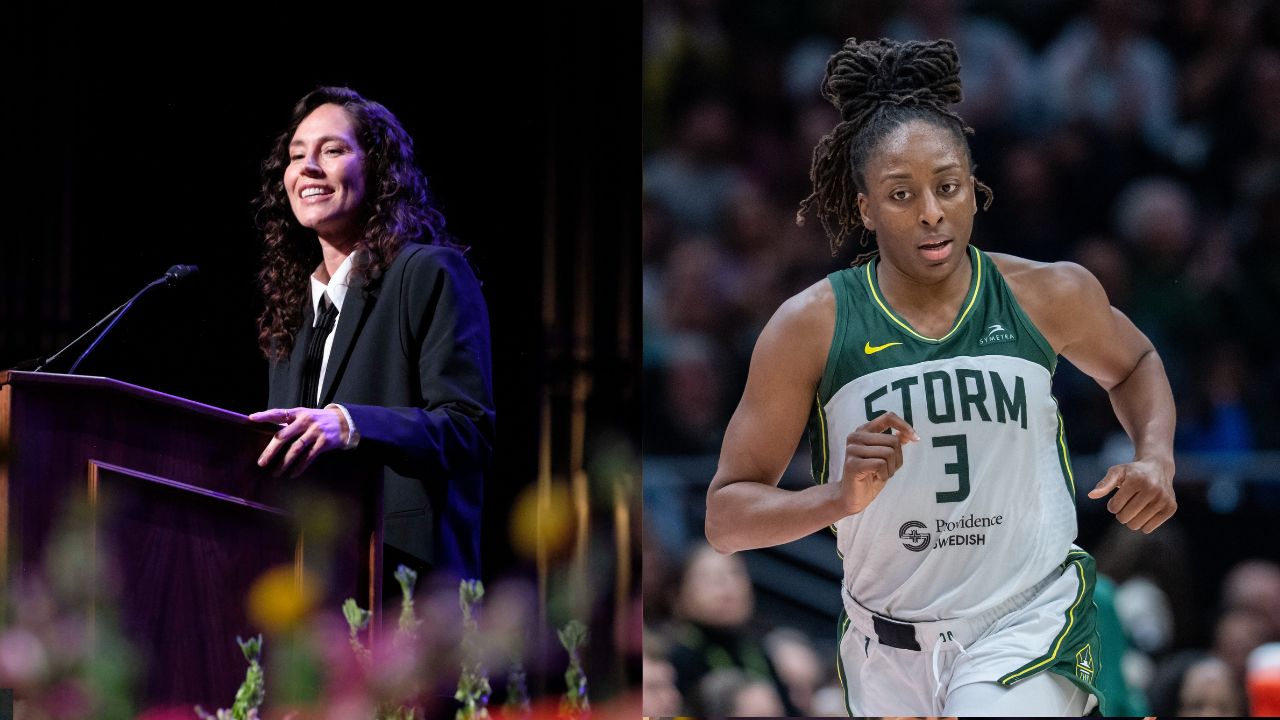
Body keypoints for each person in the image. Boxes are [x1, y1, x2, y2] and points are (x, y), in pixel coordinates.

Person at [704, 37, 1177, 715]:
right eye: (901, 194)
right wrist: (837, 498)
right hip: (884, 647)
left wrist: (1155, 456)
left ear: (972, 188)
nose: (931, 211)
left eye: (948, 186)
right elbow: (725, 518)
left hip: (1026, 622)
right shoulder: (810, 326)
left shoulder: (1047, 294)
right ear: (865, 207)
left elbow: (1136, 363)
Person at [247, 86, 495, 588]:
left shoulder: (428, 273)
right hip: (306, 579)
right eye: (297, 156)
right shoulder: (292, 306)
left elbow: (468, 430)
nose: (308, 168)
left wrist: (352, 423)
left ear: (377, 168)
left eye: (332, 150)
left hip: (404, 582)